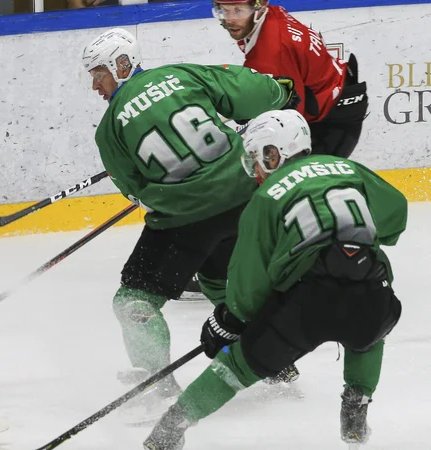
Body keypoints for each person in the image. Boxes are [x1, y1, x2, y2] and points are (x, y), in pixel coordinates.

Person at [144, 109, 405, 449]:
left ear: (276, 151)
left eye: (258, 157)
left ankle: (171, 428)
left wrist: (230, 320)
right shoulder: (349, 169)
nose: (255, 169)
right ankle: (357, 398)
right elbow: (396, 213)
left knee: (235, 367)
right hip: (371, 293)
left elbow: (249, 276)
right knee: (369, 332)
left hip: (305, 304)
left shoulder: (266, 197)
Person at [82, 28, 299, 416]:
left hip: (186, 217)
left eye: (98, 73)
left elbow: (136, 193)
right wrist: (281, 92)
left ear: (122, 64)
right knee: (222, 282)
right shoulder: (183, 75)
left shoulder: (110, 128)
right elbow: (254, 92)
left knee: (134, 300)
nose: (95, 85)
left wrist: (168, 194)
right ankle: (271, 359)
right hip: (246, 197)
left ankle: (158, 382)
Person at [212, 0, 368, 159]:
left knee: (285, 173)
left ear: (259, 8)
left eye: (238, 11)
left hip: (332, 120)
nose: (230, 19)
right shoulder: (271, 16)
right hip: (333, 95)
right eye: (224, 10)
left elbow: (289, 124)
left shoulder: (272, 54)